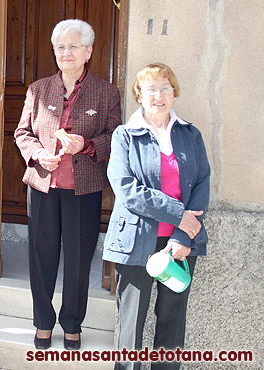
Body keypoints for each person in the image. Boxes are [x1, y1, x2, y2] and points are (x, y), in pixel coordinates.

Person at [14, 19, 122, 350]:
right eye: (60, 47)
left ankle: (72, 322)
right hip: (43, 185)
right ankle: (43, 321)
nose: (66, 53)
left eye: (74, 46)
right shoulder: (38, 88)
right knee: (41, 255)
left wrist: (86, 145)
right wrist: (36, 155)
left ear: (88, 52)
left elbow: (114, 137)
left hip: (83, 188)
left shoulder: (106, 92)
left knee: (78, 258)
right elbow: (22, 132)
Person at [103, 63, 210, 369]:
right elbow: (127, 189)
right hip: (136, 240)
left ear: (174, 93)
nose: (158, 95)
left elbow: (202, 183)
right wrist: (180, 215)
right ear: (139, 95)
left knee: (173, 319)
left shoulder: (191, 135)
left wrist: (182, 234)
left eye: (165, 87)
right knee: (131, 320)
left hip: (179, 245)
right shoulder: (125, 136)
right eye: (151, 88)